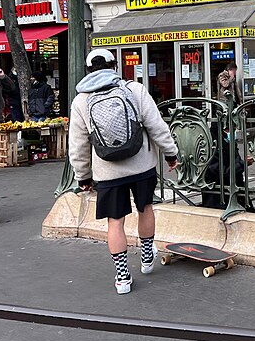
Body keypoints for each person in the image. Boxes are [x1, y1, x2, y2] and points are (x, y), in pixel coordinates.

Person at [69, 48, 179, 295]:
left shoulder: (81, 101)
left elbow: (77, 145)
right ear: (114, 66)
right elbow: (156, 125)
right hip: (141, 166)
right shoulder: (134, 89)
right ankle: (147, 257)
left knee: (115, 222)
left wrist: (83, 176)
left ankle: (122, 276)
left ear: (89, 70)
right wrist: (171, 154)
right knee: (145, 208)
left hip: (107, 173)